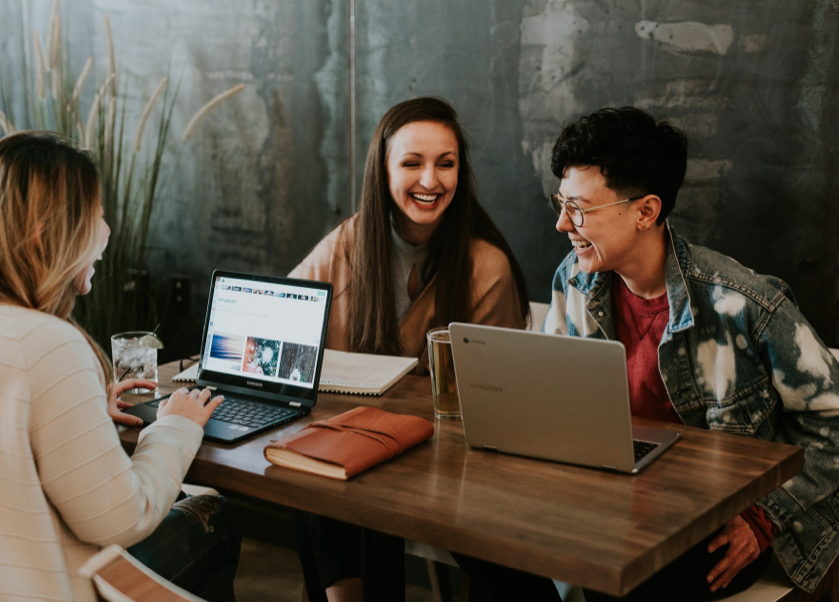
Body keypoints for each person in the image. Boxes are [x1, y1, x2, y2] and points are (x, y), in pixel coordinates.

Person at [0, 132, 240, 602]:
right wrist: (174, 429)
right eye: (97, 216)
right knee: (214, 516)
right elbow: (123, 518)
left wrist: (80, 408)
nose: (106, 232)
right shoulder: (48, 344)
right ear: (50, 232)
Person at [538, 107, 838, 601]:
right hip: (611, 502)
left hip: (715, 519)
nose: (561, 224)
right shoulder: (573, 280)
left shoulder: (744, 303)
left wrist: (765, 518)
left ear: (646, 211)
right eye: (561, 203)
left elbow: (833, 420)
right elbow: (557, 403)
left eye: (579, 208)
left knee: (619, 577)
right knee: (477, 539)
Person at [289, 97, 530, 601]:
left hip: (448, 468)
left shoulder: (486, 267)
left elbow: (491, 402)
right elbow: (286, 326)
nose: (430, 180)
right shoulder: (349, 243)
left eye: (446, 164)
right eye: (412, 163)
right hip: (352, 448)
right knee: (313, 482)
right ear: (382, 170)